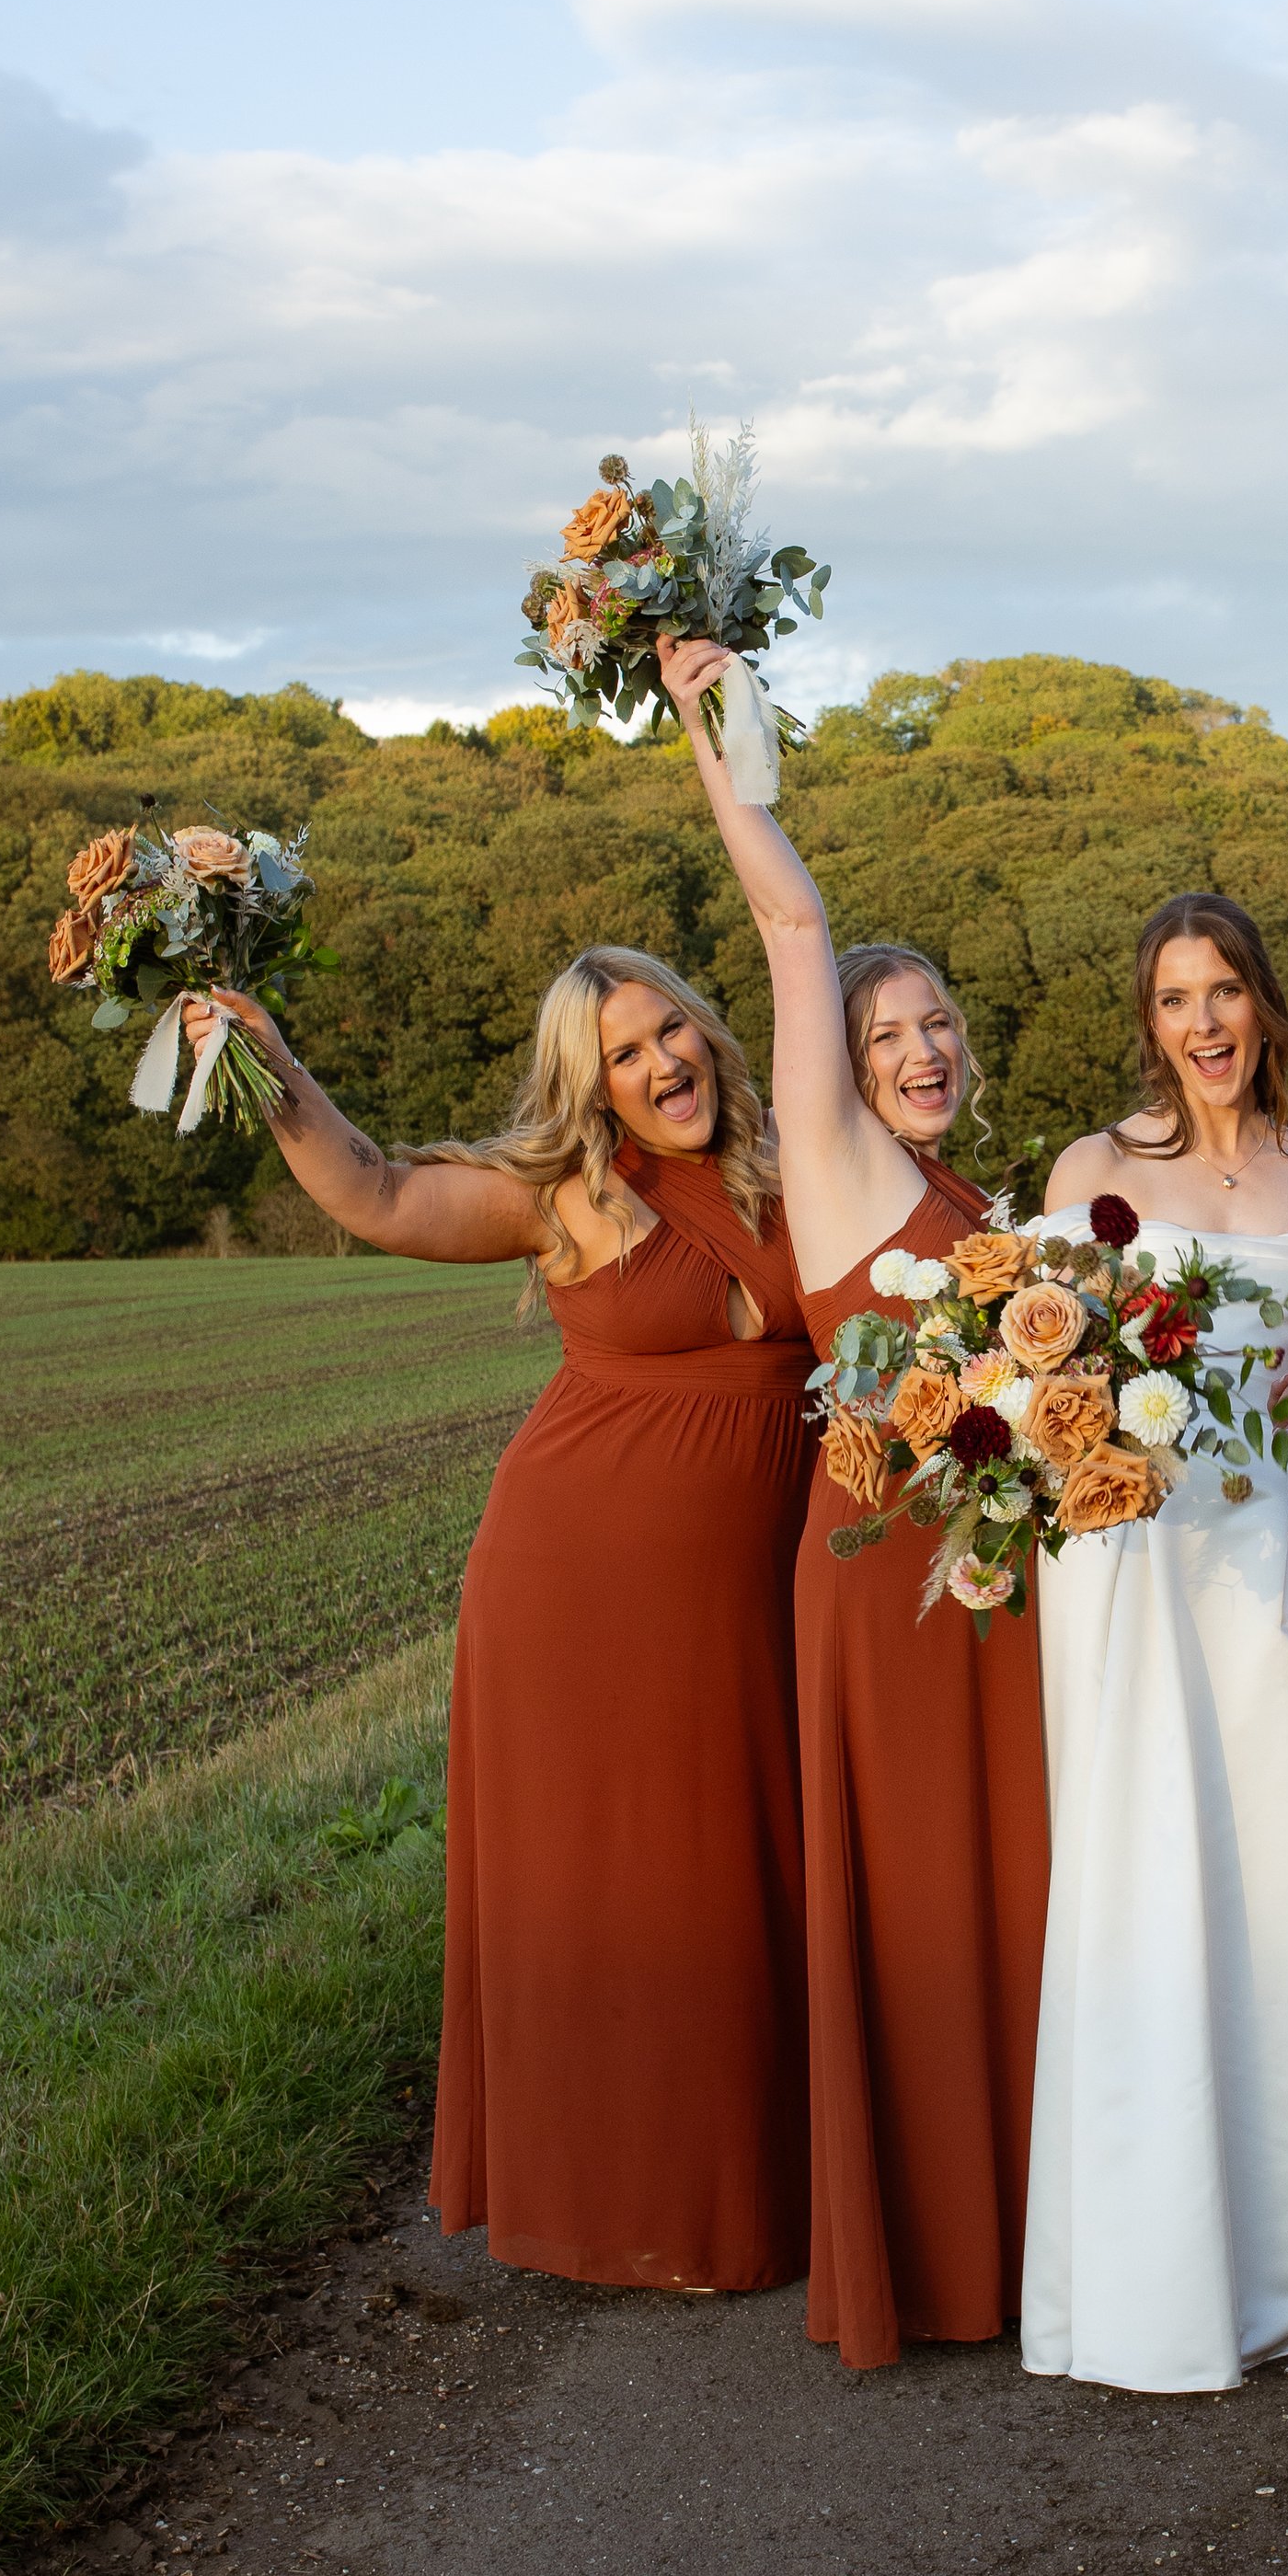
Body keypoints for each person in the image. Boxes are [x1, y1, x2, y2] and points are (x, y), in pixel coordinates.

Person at [184, 947, 815, 2292]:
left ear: (708, 1029)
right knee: (613, 1883)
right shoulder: (569, 1196)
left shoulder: (791, 1165)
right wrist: (270, 1062)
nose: (662, 1064)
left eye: (670, 1030)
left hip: (741, 1598)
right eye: (625, 1056)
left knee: (729, 1872)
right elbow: (382, 1190)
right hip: (572, 1590)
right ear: (594, 1088)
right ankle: (625, 2208)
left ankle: (745, 2192)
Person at [659, 631, 1047, 2374]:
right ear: (837, 1061)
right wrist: (717, 733)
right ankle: (921, 2257)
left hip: (997, 1574)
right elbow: (793, 931)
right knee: (911, 1897)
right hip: (877, 1564)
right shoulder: (835, 1162)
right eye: (888, 1032)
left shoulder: (986, 1190)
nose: (921, 1048)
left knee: (1011, 1886)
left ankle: (1034, 2231)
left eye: (940, 1022)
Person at [1022, 891, 1288, 2392]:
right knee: (1152, 1882)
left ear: (1264, 1005)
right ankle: (1153, 2263)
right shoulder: (1091, 1168)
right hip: (1135, 1567)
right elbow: (1040, 1367)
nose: (1201, 1023)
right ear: (1148, 1020)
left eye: (1224, 993)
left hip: (1275, 1559)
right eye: (1173, 998)